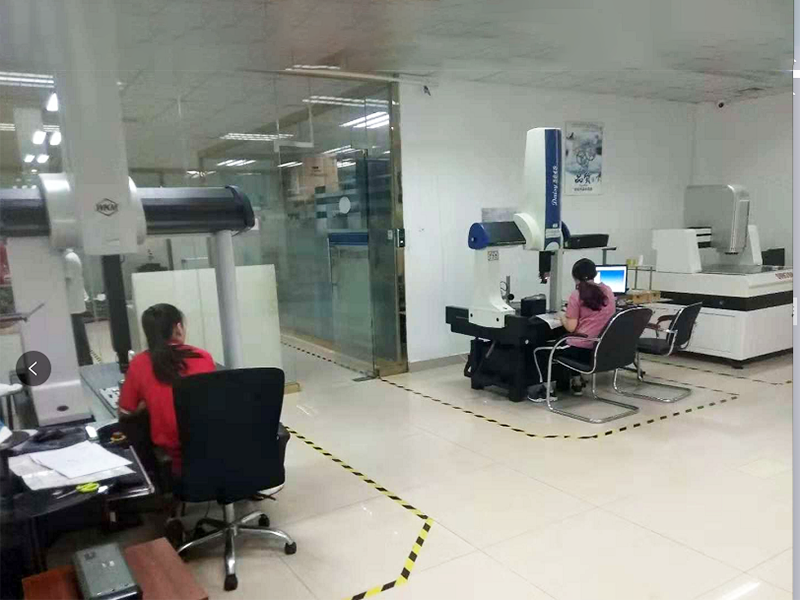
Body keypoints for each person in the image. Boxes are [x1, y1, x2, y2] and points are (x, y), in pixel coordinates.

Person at [118, 303, 215, 473]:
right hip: (209, 452)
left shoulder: (139, 363)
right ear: (178, 328)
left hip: (173, 463)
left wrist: (146, 403)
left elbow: (125, 413)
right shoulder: (203, 357)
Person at [537, 258, 616, 396]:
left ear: (574, 277)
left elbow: (571, 328)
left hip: (582, 350)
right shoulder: (608, 291)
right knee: (572, 341)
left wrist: (562, 316)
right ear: (595, 273)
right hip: (601, 349)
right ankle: (577, 383)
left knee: (540, 351)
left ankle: (547, 392)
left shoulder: (577, 295)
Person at [64, 249, 92, 366]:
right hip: (74, 304)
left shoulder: (67, 258)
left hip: (71, 305)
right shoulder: (72, 256)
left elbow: (63, 281)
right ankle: (85, 361)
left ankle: (84, 362)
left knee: (77, 338)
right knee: (79, 336)